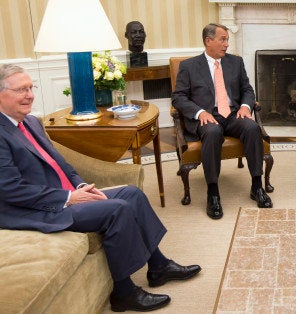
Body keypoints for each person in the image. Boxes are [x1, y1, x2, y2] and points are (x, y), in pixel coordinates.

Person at [0, 64, 201, 312]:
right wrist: (69, 197)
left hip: (68, 193)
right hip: (39, 207)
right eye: (21, 89)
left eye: (31, 88)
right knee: (117, 209)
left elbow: (60, 163)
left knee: (132, 193)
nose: (29, 95)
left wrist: (81, 185)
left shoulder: (30, 122)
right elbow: (10, 189)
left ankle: (158, 267)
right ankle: (123, 293)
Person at [172, 23, 272, 220]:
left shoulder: (235, 62)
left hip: (234, 114)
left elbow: (248, 90)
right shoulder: (189, 66)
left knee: (252, 128)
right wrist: (199, 112)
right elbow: (179, 97)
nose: (227, 44)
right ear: (208, 41)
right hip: (208, 116)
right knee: (212, 132)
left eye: (227, 39)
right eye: (222, 39)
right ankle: (213, 193)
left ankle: (256, 185)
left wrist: (245, 106)